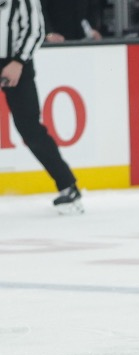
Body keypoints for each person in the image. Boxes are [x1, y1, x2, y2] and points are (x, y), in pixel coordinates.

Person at [1, 0, 84, 213]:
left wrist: (18, 62)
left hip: (16, 65)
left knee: (30, 129)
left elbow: (35, 31)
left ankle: (67, 187)